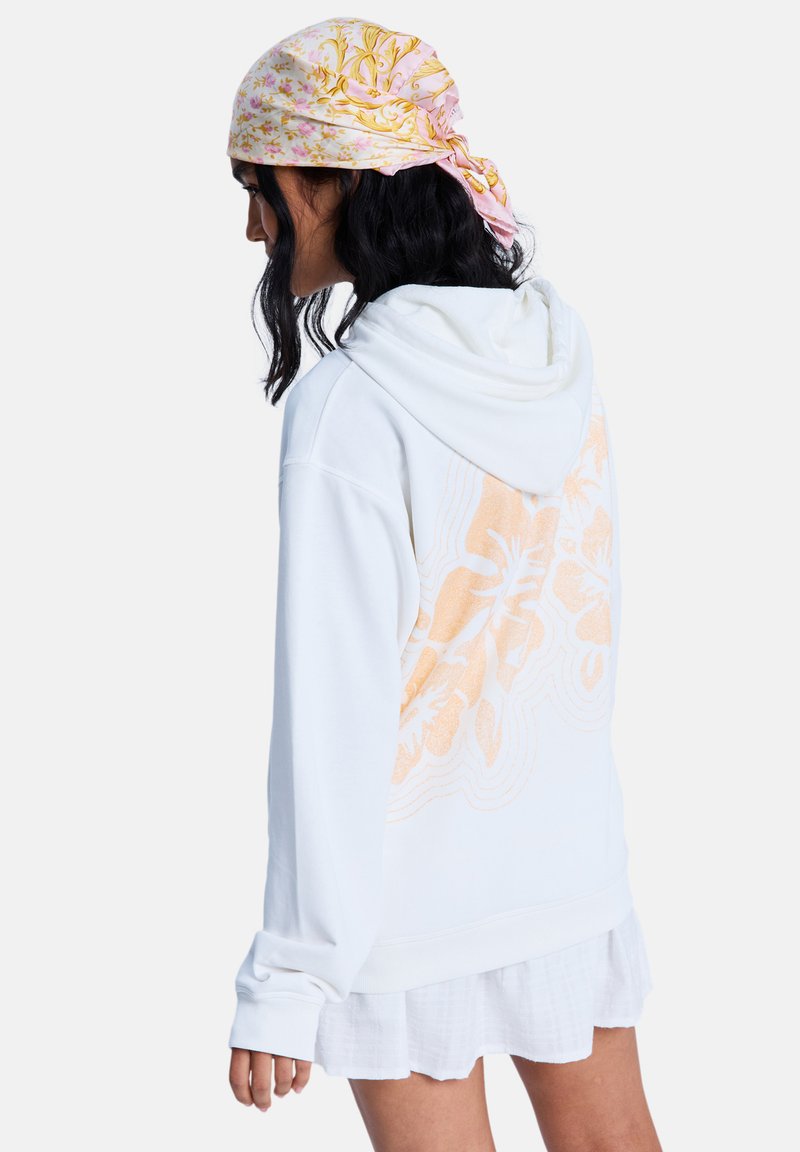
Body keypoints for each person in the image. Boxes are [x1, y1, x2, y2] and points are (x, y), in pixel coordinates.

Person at [224, 16, 662, 1151]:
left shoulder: (350, 408)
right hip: (565, 865)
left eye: (259, 189)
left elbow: (334, 712)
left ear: (327, 178)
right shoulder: (556, 354)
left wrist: (289, 976)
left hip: (403, 901)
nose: (253, 228)